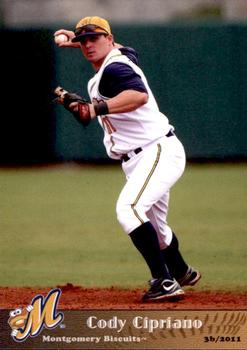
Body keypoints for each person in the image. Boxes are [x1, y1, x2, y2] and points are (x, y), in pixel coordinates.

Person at [54, 16, 201, 302]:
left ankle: (164, 281)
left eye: (94, 38)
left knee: (128, 209)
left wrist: (93, 109)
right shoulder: (121, 56)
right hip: (141, 158)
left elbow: (138, 95)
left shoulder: (115, 68)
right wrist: (75, 42)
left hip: (156, 151)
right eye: (83, 40)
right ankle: (181, 270)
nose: (88, 44)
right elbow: (121, 47)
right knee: (157, 233)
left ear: (109, 39)